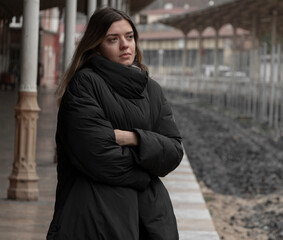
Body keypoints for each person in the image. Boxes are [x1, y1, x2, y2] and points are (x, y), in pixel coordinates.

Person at [47, 7, 183, 240]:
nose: (125, 45)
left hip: (150, 218)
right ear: (97, 45)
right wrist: (147, 169)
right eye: (113, 39)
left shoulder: (152, 90)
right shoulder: (84, 84)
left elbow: (174, 151)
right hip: (95, 217)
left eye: (129, 37)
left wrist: (134, 138)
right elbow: (96, 154)